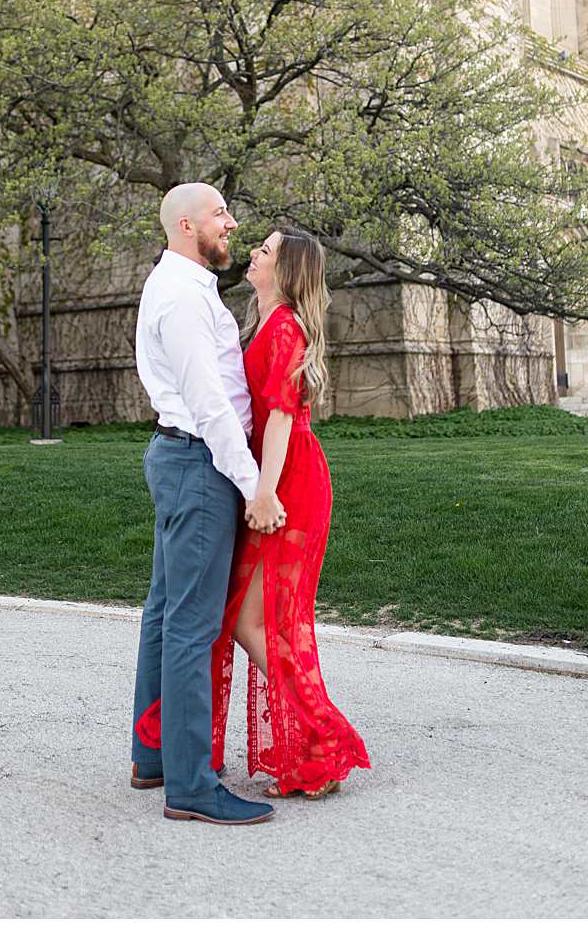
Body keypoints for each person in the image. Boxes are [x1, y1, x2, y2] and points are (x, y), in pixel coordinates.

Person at [129, 183, 286, 826]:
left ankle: (154, 756)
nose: (233, 223)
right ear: (188, 226)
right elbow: (210, 403)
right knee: (191, 625)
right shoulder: (182, 298)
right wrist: (254, 485)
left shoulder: (183, 287)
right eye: (222, 214)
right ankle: (191, 786)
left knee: (166, 613)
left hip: (182, 456)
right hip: (199, 462)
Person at [208, 227, 371, 799]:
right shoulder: (267, 323)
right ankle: (313, 738)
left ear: (288, 270)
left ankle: (321, 739)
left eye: (267, 251)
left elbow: (279, 417)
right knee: (255, 620)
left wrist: (264, 493)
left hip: (290, 481)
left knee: (262, 621)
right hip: (279, 475)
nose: (253, 252)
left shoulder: (283, 327)